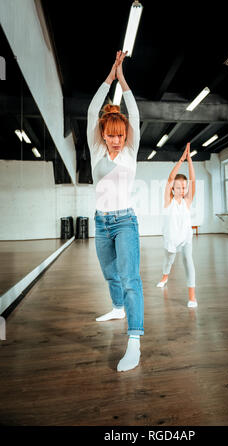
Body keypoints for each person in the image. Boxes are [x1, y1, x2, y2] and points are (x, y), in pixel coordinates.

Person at [86, 50, 143, 372]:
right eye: (111, 136)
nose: (116, 141)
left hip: (125, 221)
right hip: (101, 221)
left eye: (120, 136)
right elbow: (94, 108)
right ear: (103, 135)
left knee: (130, 278)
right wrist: (108, 75)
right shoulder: (97, 150)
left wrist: (122, 78)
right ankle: (117, 308)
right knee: (110, 274)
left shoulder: (131, 151)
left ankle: (134, 340)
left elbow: (132, 112)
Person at [157, 143, 197, 308]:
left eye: (184, 187)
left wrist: (190, 161)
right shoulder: (169, 201)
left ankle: (192, 297)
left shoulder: (187, 202)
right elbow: (169, 179)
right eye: (179, 187)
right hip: (171, 238)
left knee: (188, 260)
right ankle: (165, 276)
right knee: (168, 261)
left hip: (186, 237)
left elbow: (193, 180)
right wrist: (181, 160)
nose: (182, 190)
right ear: (173, 189)